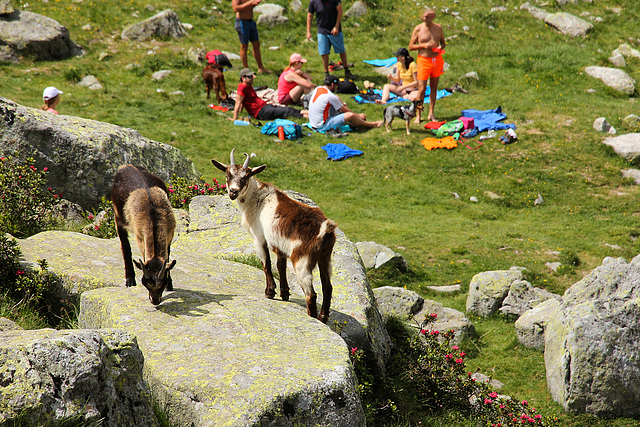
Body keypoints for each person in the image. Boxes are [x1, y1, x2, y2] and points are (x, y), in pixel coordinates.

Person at [409, 6, 446, 123]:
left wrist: (440, 47)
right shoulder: (418, 29)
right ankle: (418, 114)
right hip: (423, 60)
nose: (425, 18)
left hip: (436, 59)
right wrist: (423, 46)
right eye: (424, 16)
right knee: (422, 88)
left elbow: (443, 43)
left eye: (427, 16)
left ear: (433, 17)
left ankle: (431, 113)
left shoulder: (438, 28)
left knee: (434, 87)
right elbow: (411, 46)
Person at [308, 74, 382, 131]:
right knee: (350, 115)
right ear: (332, 85)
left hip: (313, 122)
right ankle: (372, 125)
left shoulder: (318, 88)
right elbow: (346, 111)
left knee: (337, 98)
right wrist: (358, 115)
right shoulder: (329, 96)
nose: (337, 88)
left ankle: (356, 121)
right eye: (336, 86)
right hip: (322, 126)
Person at [233, 68, 308, 122]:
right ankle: (309, 117)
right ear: (243, 78)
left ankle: (311, 113)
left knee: (289, 109)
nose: (252, 78)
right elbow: (238, 102)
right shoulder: (242, 88)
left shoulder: (248, 86)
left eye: (252, 76)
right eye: (249, 77)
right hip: (260, 112)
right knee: (286, 112)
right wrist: (235, 118)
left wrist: (240, 111)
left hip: (264, 107)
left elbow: (242, 101)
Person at [306, 0, 354, 80]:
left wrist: (336, 26)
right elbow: (310, 16)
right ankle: (326, 73)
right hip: (322, 30)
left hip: (334, 30)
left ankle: (346, 70)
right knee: (324, 52)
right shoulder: (313, 2)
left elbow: (340, 11)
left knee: (341, 50)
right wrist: (308, 31)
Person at [232, 0, 271, 74]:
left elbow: (249, 7)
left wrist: (254, 3)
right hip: (241, 22)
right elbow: (235, 8)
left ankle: (261, 67)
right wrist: (249, 3)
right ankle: (246, 70)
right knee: (244, 45)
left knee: (256, 44)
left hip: (250, 21)